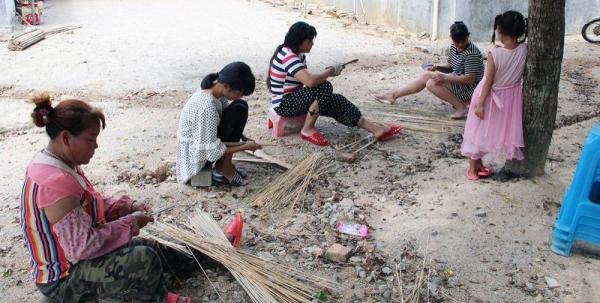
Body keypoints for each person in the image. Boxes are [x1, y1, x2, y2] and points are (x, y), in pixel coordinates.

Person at [21, 93, 244, 303]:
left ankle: (214, 254)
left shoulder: (55, 161)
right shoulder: (56, 181)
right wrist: (130, 223)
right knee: (142, 260)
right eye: (91, 139)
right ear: (66, 138)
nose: (96, 146)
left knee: (150, 247)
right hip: (63, 279)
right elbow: (83, 247)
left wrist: (127, 207)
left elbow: (90, 204)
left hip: (74, 260)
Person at [267, 21, 402, 146]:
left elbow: (309, 81)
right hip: (284, 104)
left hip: (294, 98)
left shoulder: (297, 55)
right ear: (299, 41)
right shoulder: (288, 57)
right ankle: (307, 129)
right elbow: (310, 81)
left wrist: (327, 73)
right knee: (324, 86)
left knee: (337, 101)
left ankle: (376, 129)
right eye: (309, 41)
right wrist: (330, 71)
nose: (312, 44)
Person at [460, 11, 528, 180]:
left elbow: (489, 81)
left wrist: (481, 103)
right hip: (510, 98)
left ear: (500, 30)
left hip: (488, 95)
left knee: (478, 131)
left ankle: (473, 170)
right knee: (494, 131)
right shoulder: (525, 49)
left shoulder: (495, 53)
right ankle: (479, 165)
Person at [372, 21, 485, 119]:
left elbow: (470, 79)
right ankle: (393, 95)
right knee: (427, 75)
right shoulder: (453, 48)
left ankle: (461, 107)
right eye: (456, 42)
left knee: (431, 84)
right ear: (451, 39)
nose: (459, 45)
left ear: (468, 35)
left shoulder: (472, 53)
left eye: (462, 41)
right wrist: (438, 68)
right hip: (459, 82)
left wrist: (444, 77)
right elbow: (450, 67)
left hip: (471, 88)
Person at [176, 61, 261, 187]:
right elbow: (210, 152)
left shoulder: (216, 91)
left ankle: (226, 164)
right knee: (239, 106)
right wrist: (245, 147)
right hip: (195, 158)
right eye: (240, 92)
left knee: (240, 106)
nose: (240, 96)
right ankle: (224, 167)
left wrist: (243, 138)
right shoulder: (206, 107)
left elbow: (226, 119)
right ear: (226, 86)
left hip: (204, 146)